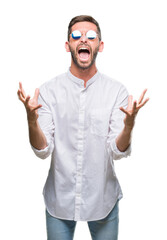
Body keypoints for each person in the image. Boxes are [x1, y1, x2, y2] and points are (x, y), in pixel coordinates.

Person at [17, 15, 149, 240]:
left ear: (100, 45)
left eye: (91, 36)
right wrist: (31, 121)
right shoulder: (49, 91)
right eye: (77, 36)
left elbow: (116, 151)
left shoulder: (116, 91)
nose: (84, 40)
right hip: (60, 200)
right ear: (68, 45)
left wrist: (128, 126)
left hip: (102, 200)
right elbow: (43, 150)